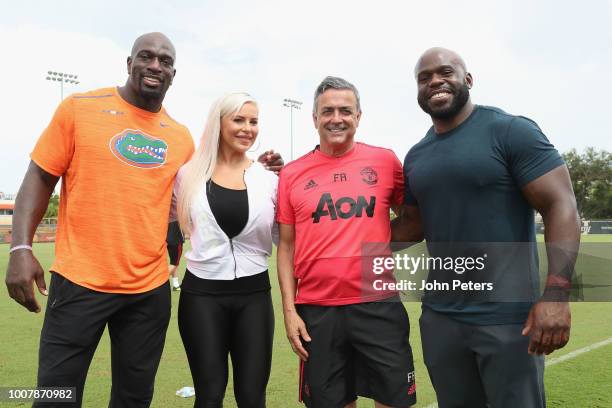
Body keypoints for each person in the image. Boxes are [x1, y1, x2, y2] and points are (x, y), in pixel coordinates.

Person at [5, 33, 283, 408]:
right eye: (146, 57)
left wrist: (256, 169)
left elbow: (211, 183)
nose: (155, 65)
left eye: (165, 61)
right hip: (80, 280)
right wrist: (21, 247)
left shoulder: (181, 139)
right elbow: (39, 176)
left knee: (134, 398)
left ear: (173, 73)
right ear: (129, 63)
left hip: (147, 292)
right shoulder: (78, 108)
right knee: (56, 394)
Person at [392, 47, 580, 408]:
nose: (434, 81)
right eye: (423, 77)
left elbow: (561, 204)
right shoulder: (416, 156)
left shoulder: (510, 130)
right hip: (441, 319)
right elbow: (410, 228)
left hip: (508, 319)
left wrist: (556, 294)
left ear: (468, 79)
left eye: (445, 72)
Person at [276, 76, 417, 408]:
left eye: (345, 110)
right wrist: (289, 311)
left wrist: (376, 245)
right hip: (317, 310)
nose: (336, 118)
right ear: (314, 118)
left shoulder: (385, 162)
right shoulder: (292, 173)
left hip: (378, 302)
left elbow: (411, 218)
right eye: (327, 111)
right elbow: (285, 246)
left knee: (394, 401)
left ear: (359, 116)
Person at [173, 92, 277, 408]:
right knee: (209, 396)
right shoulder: (186, 175)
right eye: (238, 120)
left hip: (254, 298)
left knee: (251, 397)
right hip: (201, 298)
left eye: (253, 121)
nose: (247, 128)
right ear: (219, 123)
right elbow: (165, 224)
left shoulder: (269, 180)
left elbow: (284, 240)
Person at [167, 220, 184, 290]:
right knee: (174, 263)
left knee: (174, 263)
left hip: (167, 240)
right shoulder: (177, 213)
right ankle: (156, 282)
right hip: (176, 241)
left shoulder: (166, 213)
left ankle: (176, 284)